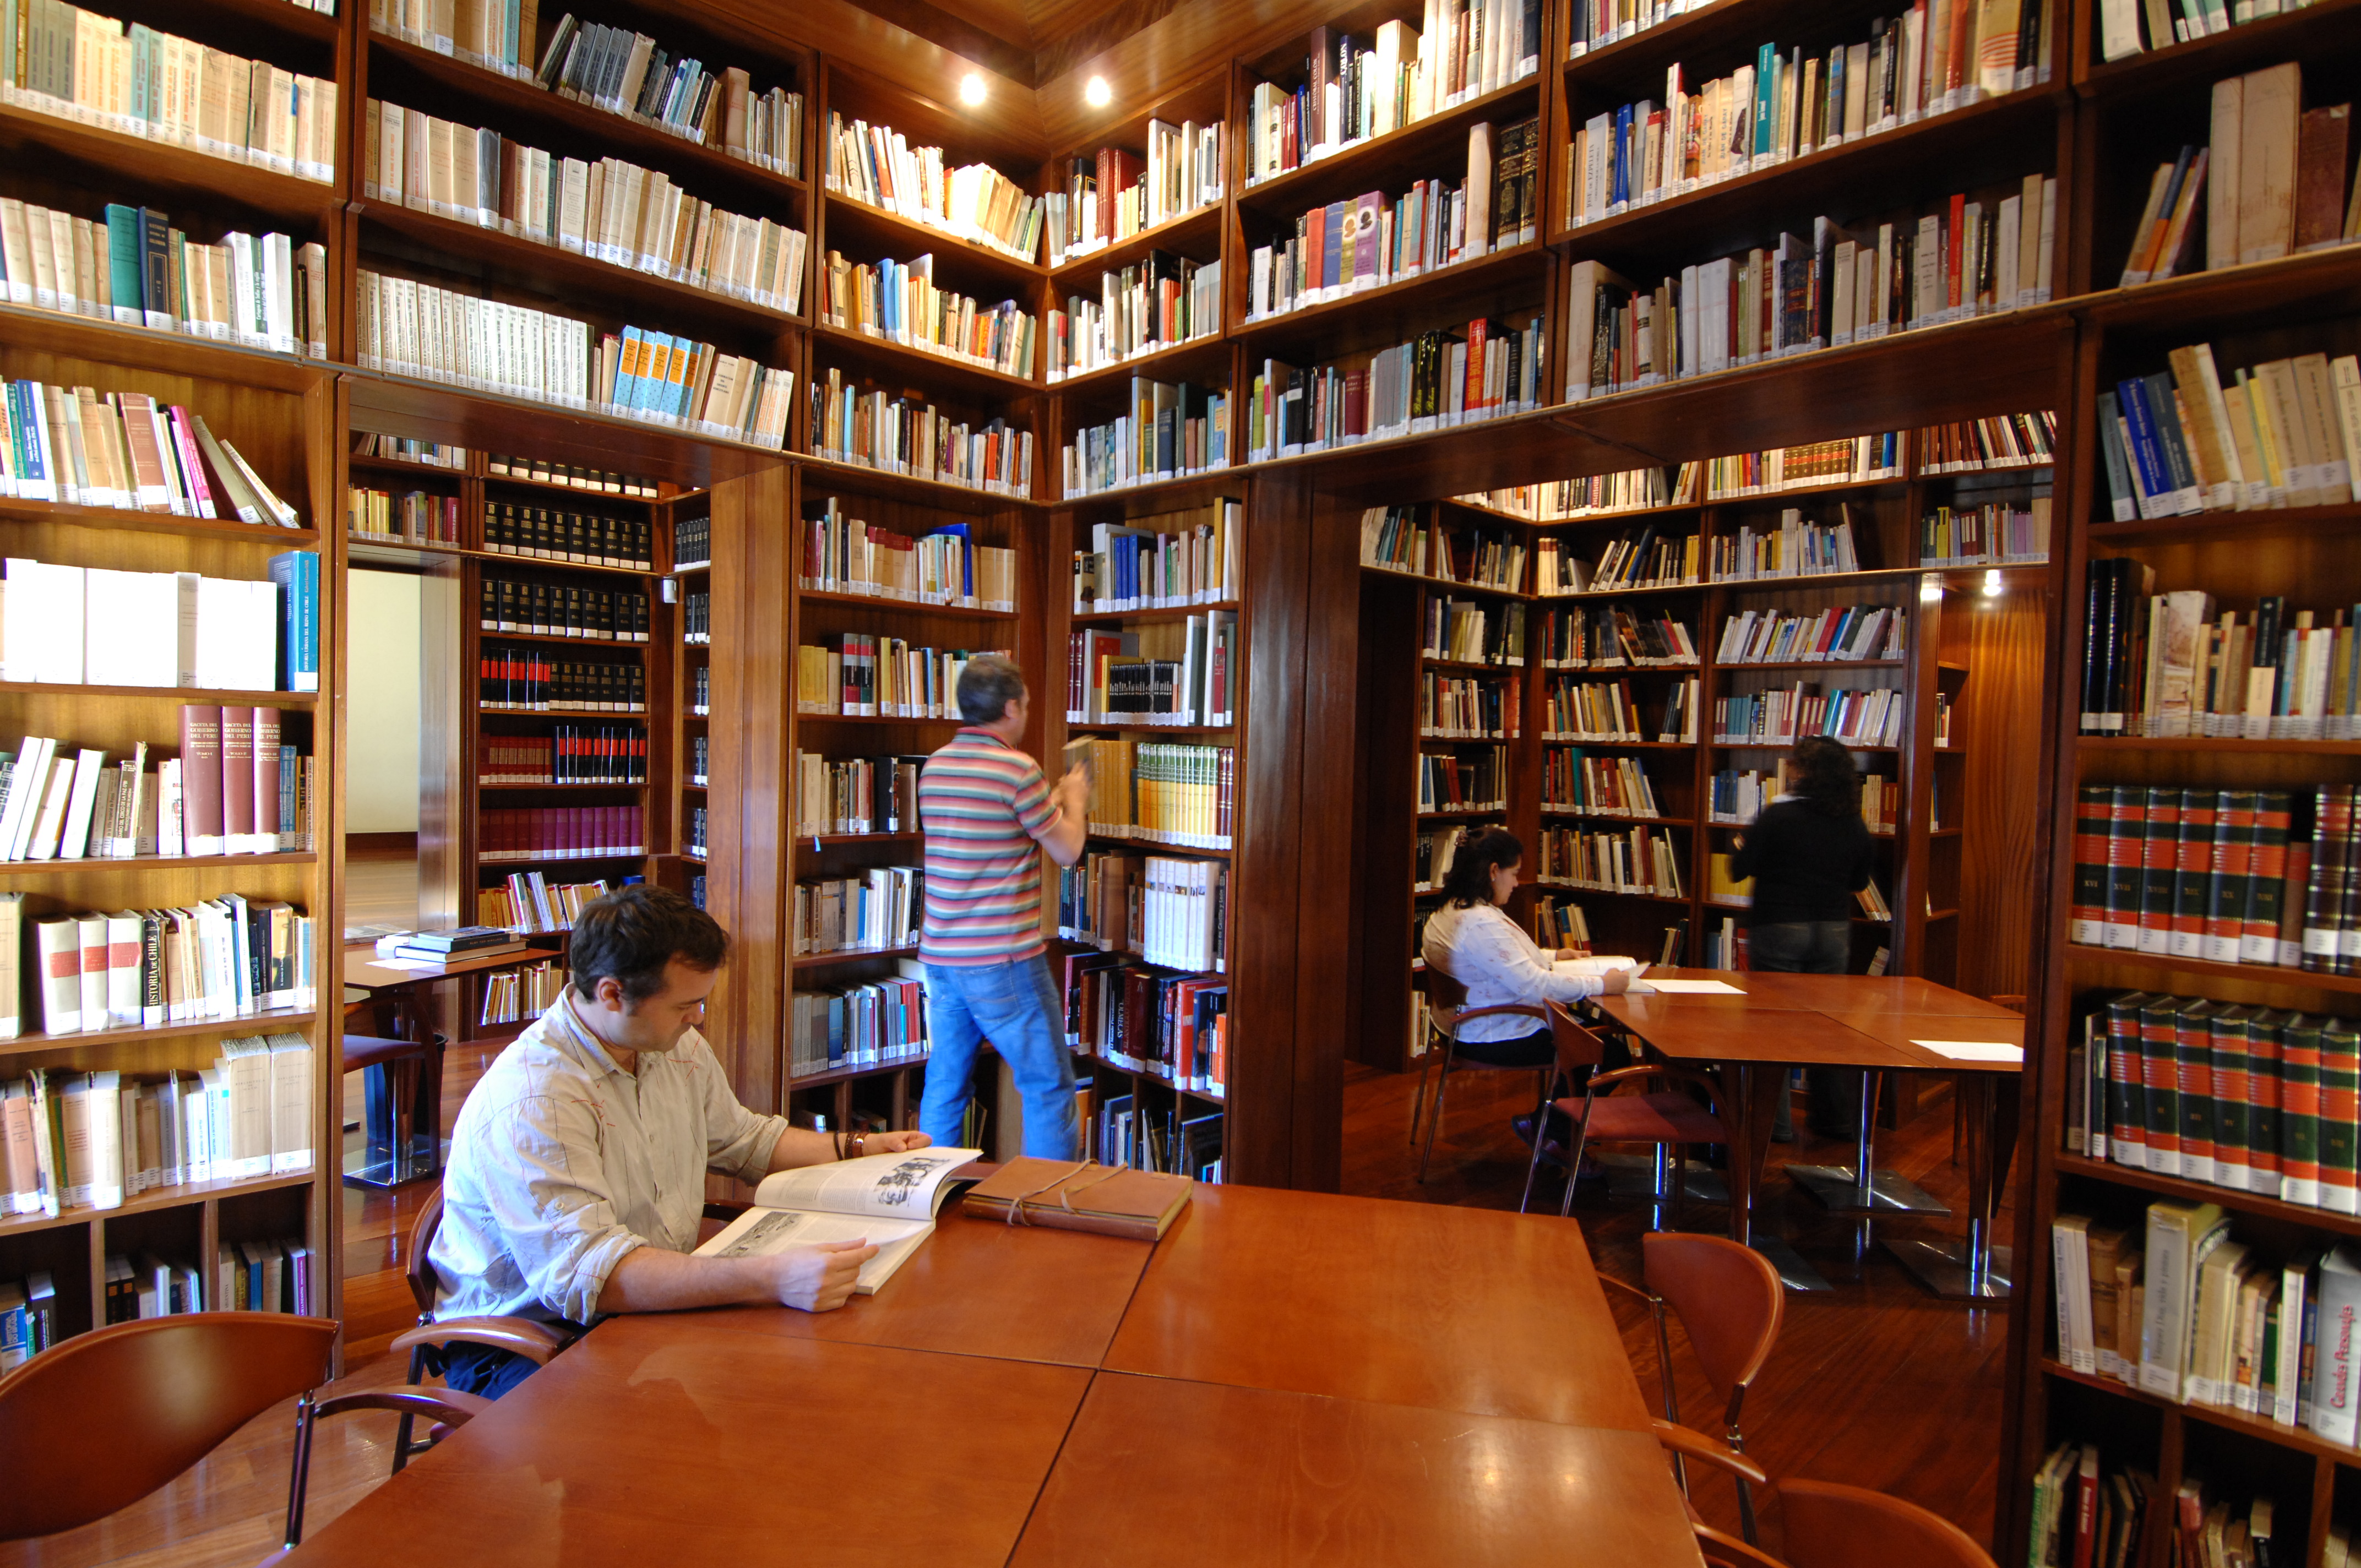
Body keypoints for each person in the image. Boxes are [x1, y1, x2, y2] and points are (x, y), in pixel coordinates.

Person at [427, 885, 932, 1398]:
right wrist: (771, 1278)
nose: (698, 1018)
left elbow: (743, 1141)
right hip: (525, 1341)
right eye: (685, 1005)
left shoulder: (669, 1044)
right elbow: (591, 1277)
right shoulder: (537, 1100)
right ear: (611, 994)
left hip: (630, 1308)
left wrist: (861, 1148)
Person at [916, 651, 1089, 1158]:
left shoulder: (935, 766)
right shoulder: (1018, 770)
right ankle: (1045, 1203)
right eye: (1027, 705)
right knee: (1048, 1085)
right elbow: (1067, 849)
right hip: (1003, 961)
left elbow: (982, 837)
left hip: (942, 959)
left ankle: (925, 1202)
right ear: (1011, 708)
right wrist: (1073, 798)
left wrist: (1047, 803)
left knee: (946, 1087)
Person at [1727, 734, 1876, 1140]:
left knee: (1772, 1030)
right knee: (1825, 1029)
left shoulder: (1779, 816)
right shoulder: (1852, 820)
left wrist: (1742, 843)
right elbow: (1859, 880)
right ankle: (1833, 1122)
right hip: (1832, 931)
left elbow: (1740, 868)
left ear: (1804, 773)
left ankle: (1775, 1127)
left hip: (1780, 926)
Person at [1419, 827, 1631, 1070]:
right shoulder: (1480, 922)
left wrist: (1554, 956)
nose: (1517, 883)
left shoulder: (1454, 908)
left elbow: (1497, 959)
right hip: (1491, 1033)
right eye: (1515, 873)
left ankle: (1551, 1108)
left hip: (1459, 1024)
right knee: (1610, 1055)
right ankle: (1552, 1110)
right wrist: (1603, 985)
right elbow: (1535, 986)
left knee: (1590, 1034)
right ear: (1494, 871)